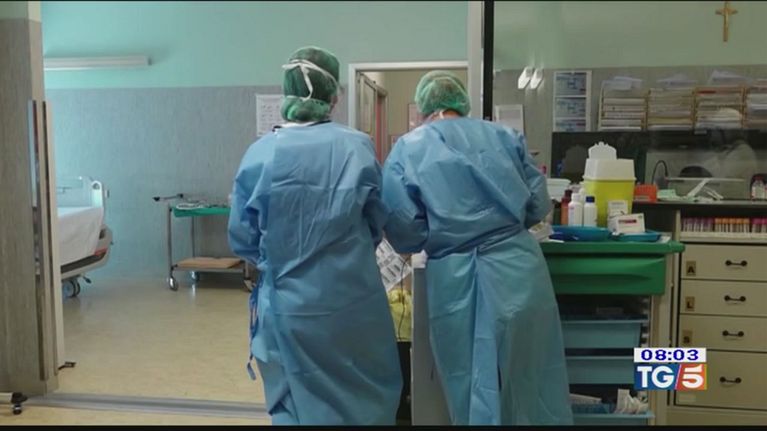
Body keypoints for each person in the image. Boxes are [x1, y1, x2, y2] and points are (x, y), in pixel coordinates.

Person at [381, 70, 573, 425]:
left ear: (423, 107)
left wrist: (444, 230)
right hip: (518, 271)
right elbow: (537, 205)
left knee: (468, 382)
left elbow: (404, 230)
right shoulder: (505, 136)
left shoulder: (409, 149)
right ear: (461, 102)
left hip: (455, 279)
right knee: (529, 379)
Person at [228, 46, 402, 425]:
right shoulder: (355, 146)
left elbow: (242, 238)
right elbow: (377, 220)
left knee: (293, 400)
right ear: (333, 96)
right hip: (351, 299)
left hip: (287, 304)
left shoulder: (260, 154)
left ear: (286, 93)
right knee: (361, 396)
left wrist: (285, 260)